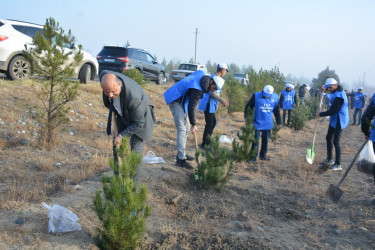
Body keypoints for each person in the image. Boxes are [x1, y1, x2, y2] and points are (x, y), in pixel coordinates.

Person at [100, 70, 156, 186]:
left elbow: (138, 122)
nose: (110, 95)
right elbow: (108, 100)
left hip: (141, 120)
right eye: (106, 92)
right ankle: (117, 177)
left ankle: (132, 186)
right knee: (116, 146)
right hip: (124, 114)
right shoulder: (106, 80)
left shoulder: (133, 97)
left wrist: (121, 136)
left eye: (113, 92)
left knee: (135, 152)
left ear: (119, 84)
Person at [164, 70, 220, 169]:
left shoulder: (203, 75)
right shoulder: (197, 90)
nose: (213, 90)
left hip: (182, 99)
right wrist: (194, 124)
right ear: (211, 81)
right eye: (214, 87)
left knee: (186, 127)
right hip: (175, 99)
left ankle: (183, 153)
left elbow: (196, 72)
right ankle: (181, 159)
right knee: (182, 128)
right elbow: (191, 107)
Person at [317, 78, 349, 171]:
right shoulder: (334, 90)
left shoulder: (340, 96)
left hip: (340, 119)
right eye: (328, 88)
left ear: (335, 85)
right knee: (328, 138)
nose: (329, 89)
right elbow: (330, 94)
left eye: (330, 88)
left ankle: (338, 164)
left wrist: (320, 114)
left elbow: (333, 111)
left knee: (336, 141)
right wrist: (324, 89)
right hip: (334, 119)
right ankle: (329, 159)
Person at [245, 85, 281, 163]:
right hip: (257, 122)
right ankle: (253, 157)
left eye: (268, 96)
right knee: (255, 141)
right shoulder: (256, 96)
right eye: (265, 95)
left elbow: (276, 110)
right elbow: (248, 106)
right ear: (262, 91)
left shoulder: (275, 97)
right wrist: (247, 117)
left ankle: (263, 155)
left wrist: (279, 122)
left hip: (268, 123)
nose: (266, 97)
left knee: (265, 140)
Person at [198, 63, 229, 148]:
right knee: (209, 123)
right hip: (208, 103)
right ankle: (205, 144)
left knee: (213, 122)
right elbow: (212, 92)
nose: (225, 73)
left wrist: (217, 104)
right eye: (226, 71)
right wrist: (222, 100)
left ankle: (207, 141)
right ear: (223, 70)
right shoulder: (213, 78)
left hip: (212, 104)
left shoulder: (217, 78)